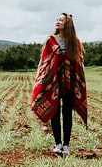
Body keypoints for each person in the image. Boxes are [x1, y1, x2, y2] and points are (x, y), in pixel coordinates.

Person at [30, 12, 88, 155]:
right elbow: (44, 62)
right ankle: (58, 144)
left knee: (67, 112)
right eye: (57, 19)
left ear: (67, 23)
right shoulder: (50, 41)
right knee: (54, 112)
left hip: (69, 82)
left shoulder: (75, 42)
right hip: (53, 82)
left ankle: (66, 145)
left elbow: (79, 64)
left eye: (61, 20)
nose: (57, 22)